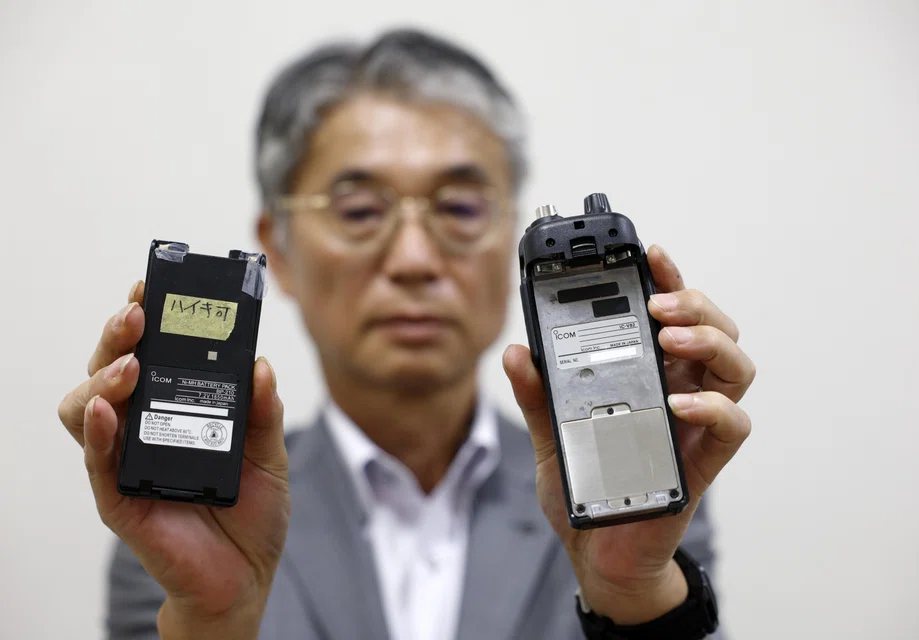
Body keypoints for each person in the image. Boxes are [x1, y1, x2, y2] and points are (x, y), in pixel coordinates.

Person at [57, 29, 755, 640]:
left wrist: (634, 595)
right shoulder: (194, 514)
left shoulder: (635, 479)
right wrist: (212, 625)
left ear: (511, 233)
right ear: (282, 250)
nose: (415, 260)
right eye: (360, 210)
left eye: (459, 206)